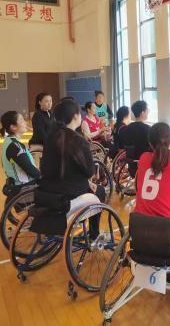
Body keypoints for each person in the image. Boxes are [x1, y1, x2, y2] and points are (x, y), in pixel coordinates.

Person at [39, 99, 106, 237]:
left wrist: (86, 182)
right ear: (75, 116)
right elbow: (89, 171)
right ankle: (94, 234)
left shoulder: (51, 137)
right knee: (100, 191)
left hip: (47, 191)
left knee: (88, 186)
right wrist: (87, 180)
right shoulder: (78, 140)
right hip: (68, 194)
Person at [0, 111, 40, 202]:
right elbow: (30, 170)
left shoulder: (9, 142)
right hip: (25, 188)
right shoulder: (15, 146)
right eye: (22, 121)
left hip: (18, 186)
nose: (25, 123)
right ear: (13, 127)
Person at [120, 100, 152, 176]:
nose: (148, 111)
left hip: (131, 164)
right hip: (145, 165)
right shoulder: (148, 129)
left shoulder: (126, 128)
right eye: (147, 110)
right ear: (142, 113)